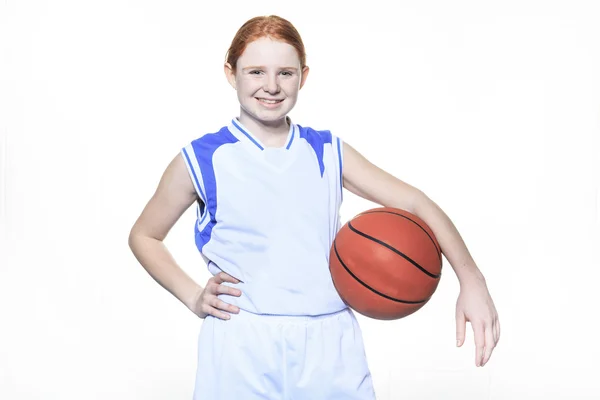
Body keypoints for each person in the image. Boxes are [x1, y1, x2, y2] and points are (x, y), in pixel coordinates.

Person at [128, 15, 500, 400]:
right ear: (230, 73)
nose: (271, 86)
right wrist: (192, 296)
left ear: (303, 76)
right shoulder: (202, 158)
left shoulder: (326, 151)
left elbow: (415, 202)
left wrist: (471, 279)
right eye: (256, 71)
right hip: (241, 341)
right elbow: (144, 235)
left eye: (285, 73)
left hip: (330, 343)